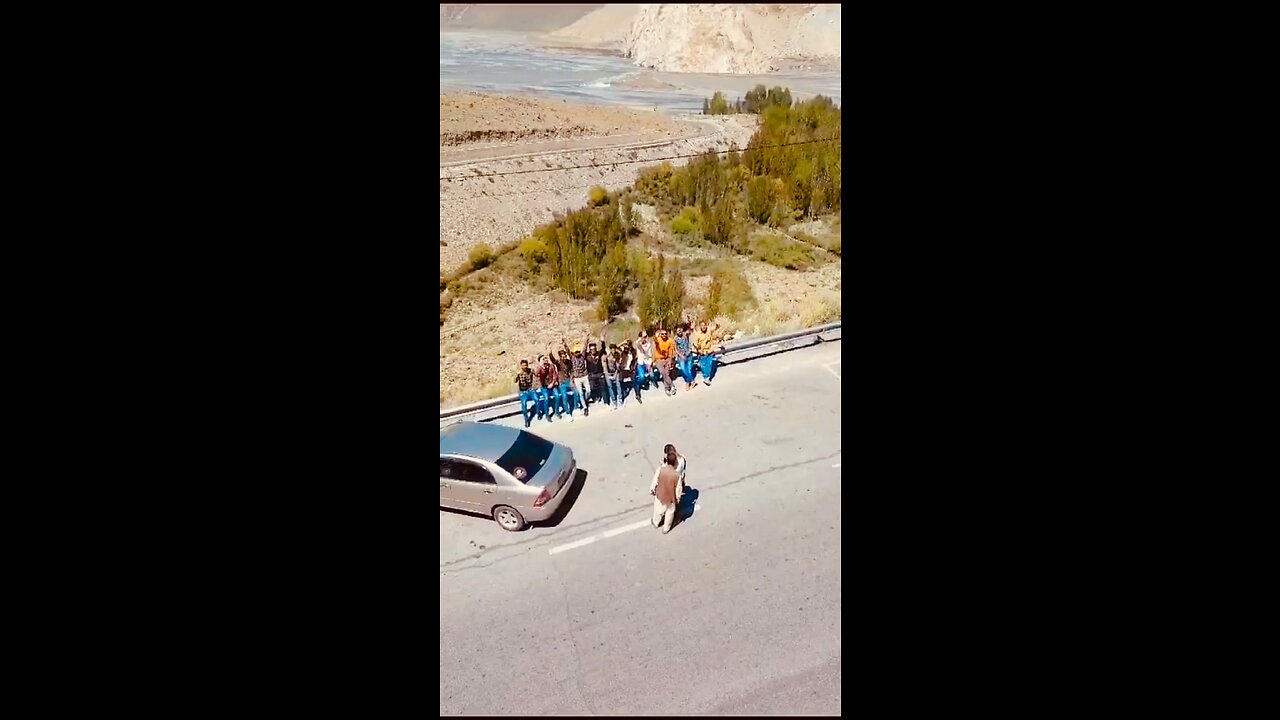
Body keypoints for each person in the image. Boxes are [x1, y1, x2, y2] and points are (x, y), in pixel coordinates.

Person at [649, 451, 682, 534]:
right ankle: (666, 529)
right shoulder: (677, 475)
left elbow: (655, 480)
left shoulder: (661, 469)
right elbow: (678, 489)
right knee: (669, 514)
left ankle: (656, 522)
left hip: (660, 495)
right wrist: (678, 499)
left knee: (658, 511)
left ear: (666, 460)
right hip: (671, 499)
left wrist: (652, 489)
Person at [562, 337, 592, 417]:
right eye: (576, 352)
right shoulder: (572, 358)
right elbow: (567, 350)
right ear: (574, 353)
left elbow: (585, 348)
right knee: (580, 393)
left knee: (588, 391)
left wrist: (586, 340)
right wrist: (564, 343)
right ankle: (585, 407)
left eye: (578, 352)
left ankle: (585, 400)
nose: (577, 353)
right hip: (577, 378)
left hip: (584, 376)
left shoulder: (582, 356)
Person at [692, 320, 723, 387]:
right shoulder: (698, 334)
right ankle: (706, 376)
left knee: (709, 364)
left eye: (704, 325)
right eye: (702, 325)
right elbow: (695, 344)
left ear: (706, 325)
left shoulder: (709, 331)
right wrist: (699, 350)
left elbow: (715, 329)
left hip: (709, 350)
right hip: (702, 352)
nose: (703, 327)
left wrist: (717, 325)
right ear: (700, 326)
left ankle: (707, 378)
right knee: (703, 365)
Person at [549, 347, 575, 421]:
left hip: (568, 381)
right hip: (562, 382)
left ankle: (576, 407)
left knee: (576, 392)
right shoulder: (558, 363)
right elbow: (553, 360)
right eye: (562, 356)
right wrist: (550, 354)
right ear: (560, 357)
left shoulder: (569, 362)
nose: (564, 357)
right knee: (564, 396)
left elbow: (572, 370)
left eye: (565, 356)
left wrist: (571, 378)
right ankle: (567, 412)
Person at [652, 326, 677, 396]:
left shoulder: (670, 340)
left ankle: (667, 388)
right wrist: (655, 336)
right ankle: (672, 385)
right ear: (660, 334)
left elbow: (671, 351)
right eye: (662, 334)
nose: (664, 335)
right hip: (659, 359)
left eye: (665, 334)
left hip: (667, 359)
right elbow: (655, 341)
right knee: (663, 373)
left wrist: (670, 360)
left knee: (667, 373)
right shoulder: (658, 340)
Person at [534, 355, 557, 423]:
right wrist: (542, 367)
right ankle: (547, 415)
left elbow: (555, 375)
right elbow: (537, 378)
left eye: (546, 358)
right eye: (543, 359)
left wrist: (552, 383)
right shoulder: (538, 368)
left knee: (557, 396)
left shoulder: (551, 366)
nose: (545, 360)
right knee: (546, 398)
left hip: (551, 384)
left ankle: (556, 411)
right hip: (543, 387)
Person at [515, 359, 538, 428]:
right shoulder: (519, 373)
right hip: (523, 391)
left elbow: (537, 376)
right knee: (524, 404)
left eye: (525, 365)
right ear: (521, 366)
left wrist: (535, 385)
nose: (524, 366)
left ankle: (538, 412)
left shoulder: (530, 370)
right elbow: (515, 381)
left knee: (537, 400)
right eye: (523, 365)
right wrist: (517, 375)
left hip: (530, 389)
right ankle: (526, 419)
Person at [674, 323, 695, 391]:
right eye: (678, 331)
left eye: (680, 330)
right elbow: (675, 349)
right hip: (681, 356)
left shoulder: (685, 335)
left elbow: (690, 330)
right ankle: (692, 381)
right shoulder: (675, 339)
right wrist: (680, 355)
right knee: (683, 369)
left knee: (688, 369)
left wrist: (690, 325)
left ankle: (687, 383)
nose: (679, 332)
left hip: (688, 354)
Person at [602, 344, 622, 409]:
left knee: (618, 385)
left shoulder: (617, 355)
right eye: (612, 349)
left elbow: (618, 366)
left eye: (614, 348)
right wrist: (608, 354)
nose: (613, 350)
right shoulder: (605, 356)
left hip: (615, 372)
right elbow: (604, 360)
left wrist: (615, 374)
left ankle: (620, 399)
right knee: (610, 387)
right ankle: (614, 401)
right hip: (608, 373)